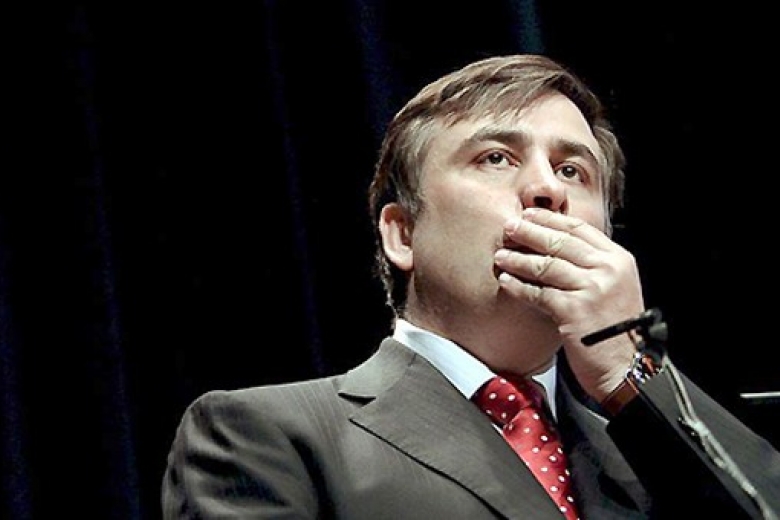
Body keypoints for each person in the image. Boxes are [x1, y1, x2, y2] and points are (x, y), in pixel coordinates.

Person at [161, 54, 780, 519]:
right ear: (403, 233)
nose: (548, 190)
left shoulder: (654, 450)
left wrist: (628, 370)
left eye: (572, 170)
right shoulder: (266, 436)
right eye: (496, 158)